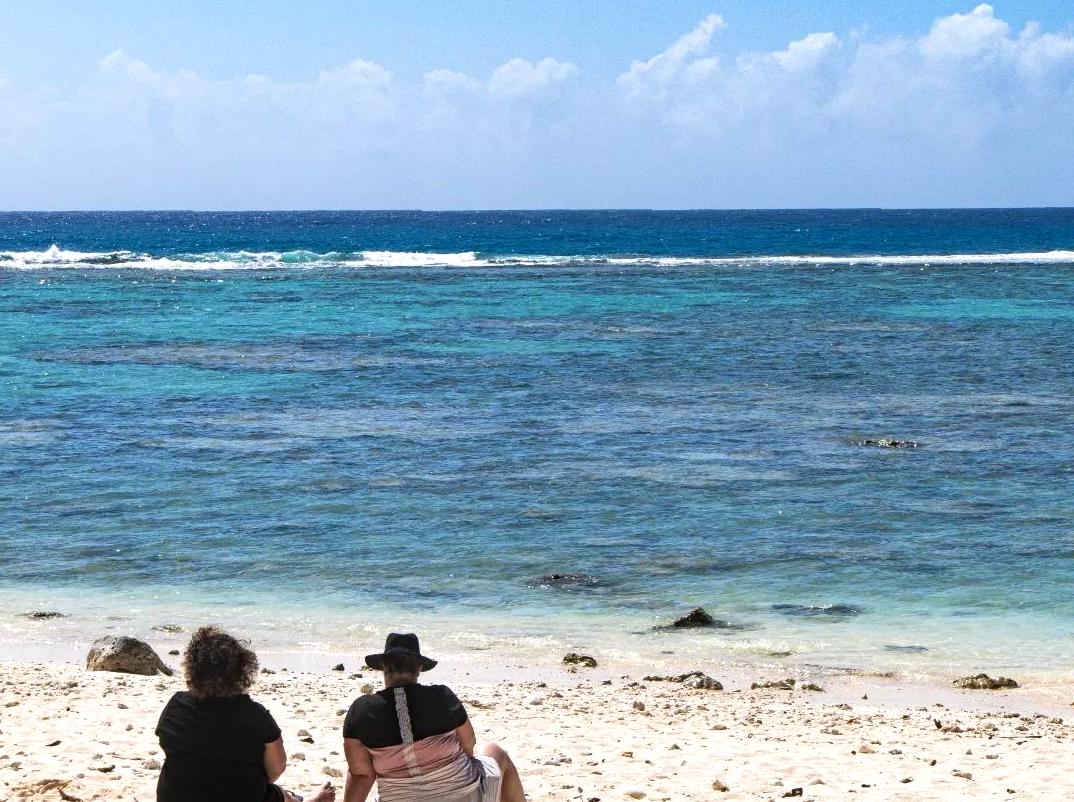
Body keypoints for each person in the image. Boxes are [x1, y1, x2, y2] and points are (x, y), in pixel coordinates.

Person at [155, 626, 336, 802]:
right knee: (279, 794)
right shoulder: (256, 715)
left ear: (193, 668)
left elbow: (167, 745)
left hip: (175, 795)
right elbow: (276, 770)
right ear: (241, 671)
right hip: (239, 795)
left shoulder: (177, 705)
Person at [341, 633, 525, 802]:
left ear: (384, 667)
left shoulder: (361, 711)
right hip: (462, 797)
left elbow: (361, 776)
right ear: (419, 668)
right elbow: (469, 745)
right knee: (494, 751)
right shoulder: (442, 697)